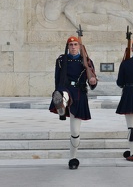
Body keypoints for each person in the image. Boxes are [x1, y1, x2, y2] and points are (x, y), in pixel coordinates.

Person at [49, 36, 97, 169]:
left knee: (75, 131)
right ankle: (61, 105)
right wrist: (56, 91)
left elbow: (92, 80)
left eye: (76, 44)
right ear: (67, 47)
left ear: (80, 47)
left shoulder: (86, 61)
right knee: (62, 94)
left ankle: (73, 158)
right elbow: (57, 78)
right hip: (65, 88)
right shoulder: (61, 60)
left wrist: (93, 82)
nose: (73, 47)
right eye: (71, 45)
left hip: (79, 93)